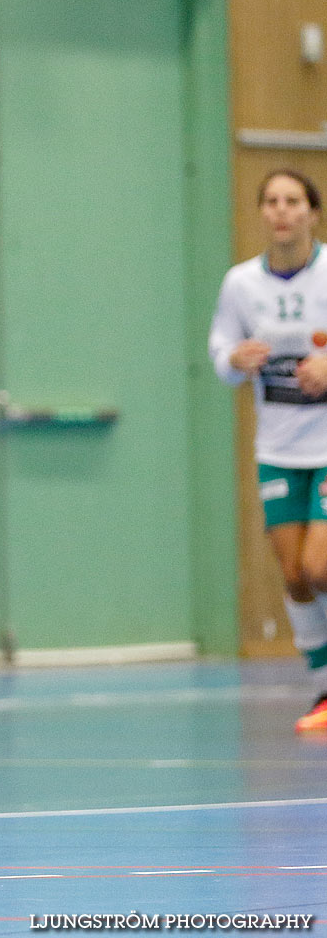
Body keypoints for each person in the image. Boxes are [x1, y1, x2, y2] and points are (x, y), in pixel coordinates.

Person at [209, 168, 327, 733]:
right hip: (278, 446)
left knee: (320, 565)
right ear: (261, 212)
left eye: (294, 201)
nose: (282, 211)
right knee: (294, 576)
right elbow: (219, 348)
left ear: (312, 212)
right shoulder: (241, 285)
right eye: (272, 201)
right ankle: (324, 687)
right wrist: (235, 360)